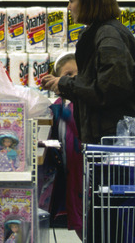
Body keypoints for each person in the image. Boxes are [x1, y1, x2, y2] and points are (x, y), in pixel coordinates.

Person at [41, 0, 135, 144]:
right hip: (111, 140)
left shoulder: (109, 37)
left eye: (71, 1)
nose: (69, 7)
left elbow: (108, 90)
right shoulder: (101, 33)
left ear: (87, 2)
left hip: (116, 144)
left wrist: (65, 84)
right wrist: (64, 86)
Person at [39, 53, 84, 238]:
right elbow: (53, 138)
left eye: (78, 74)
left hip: (89, 171)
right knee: (79, 220)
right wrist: (44, 143)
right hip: (69, 174)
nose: (73, 78)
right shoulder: (56, 108)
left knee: (93, 216)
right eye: (68, 74)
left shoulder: (88, 105)